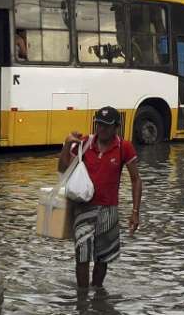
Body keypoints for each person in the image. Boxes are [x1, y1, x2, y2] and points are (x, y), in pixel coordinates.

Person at [57, 106, 143, 291]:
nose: (102, 129)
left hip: (109, 210)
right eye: (99, 125)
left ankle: (96, 293)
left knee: (103, 258)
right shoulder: (84, 143)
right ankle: (82, 298)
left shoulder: (124, 147)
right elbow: (63, 169)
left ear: (116, 127)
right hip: (83, 208)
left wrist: (135, 212)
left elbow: (136, 180)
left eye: (107, 126)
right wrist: (66, 145)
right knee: (82, 255)